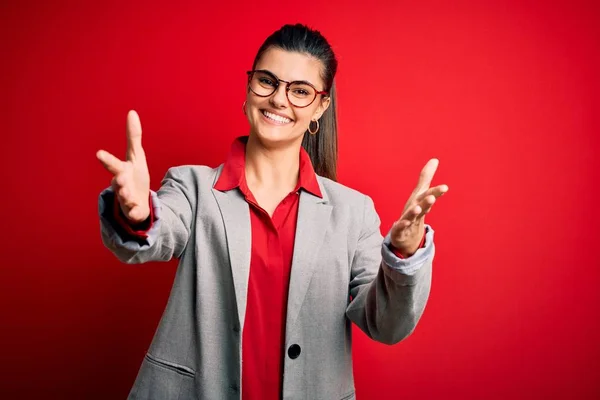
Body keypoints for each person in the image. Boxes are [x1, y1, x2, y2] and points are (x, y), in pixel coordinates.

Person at [96, 23, 448, 400]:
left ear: (320, 107)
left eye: (299, 91)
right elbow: (160, 233)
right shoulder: (192, 187)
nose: (279, 99)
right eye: (267, 81)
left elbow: (387, 325)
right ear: (249, 89)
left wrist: (403, 255)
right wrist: (136, 212)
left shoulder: (353, 213)